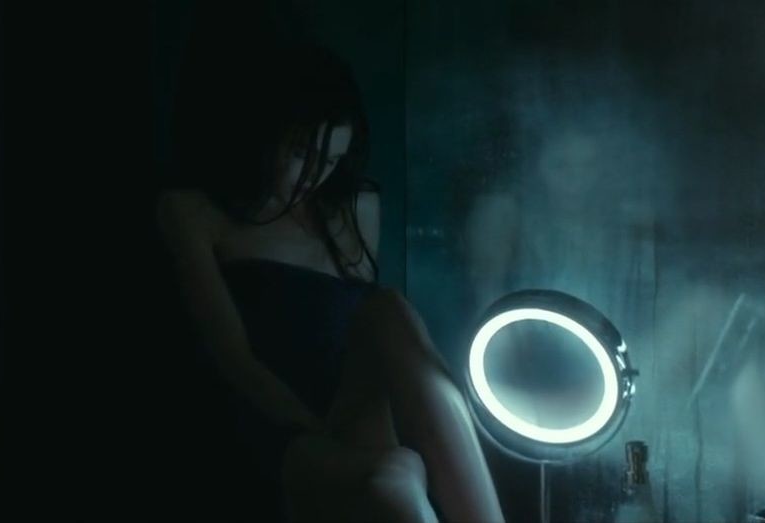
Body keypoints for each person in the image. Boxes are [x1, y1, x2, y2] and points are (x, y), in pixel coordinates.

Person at [157, 36, 505, 523]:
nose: (315, 177)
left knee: (387, 310)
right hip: (272, 426)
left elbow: (365, 347)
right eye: (303, 153)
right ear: (263, 135)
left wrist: (356, 432)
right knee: (392, 477)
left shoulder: (354, 209)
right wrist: (319, 434)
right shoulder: (193, 213)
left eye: (331, 162)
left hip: (350, 411)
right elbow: (233, 359)